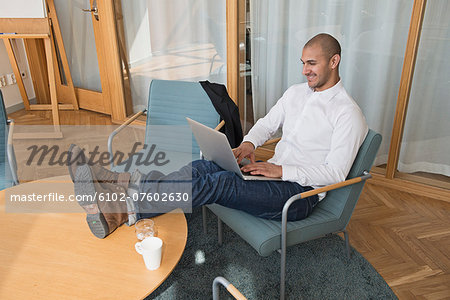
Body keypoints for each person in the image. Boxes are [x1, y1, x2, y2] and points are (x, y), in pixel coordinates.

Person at [68, 33, 368, 239]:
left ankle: (124, 202)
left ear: (334, 61)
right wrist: (249, 143)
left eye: (311, 63)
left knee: (220, 183)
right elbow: (267, 123)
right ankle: (122, 197)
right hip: (270, 177)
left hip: (299, 194)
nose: (305, 71)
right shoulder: (296, 94)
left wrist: (280, 169)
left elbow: (336, 173)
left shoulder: (348, 114)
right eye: (303, 63)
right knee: (203, 168)